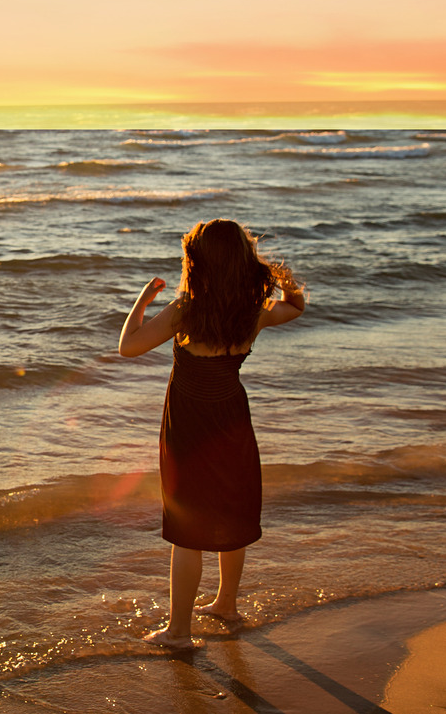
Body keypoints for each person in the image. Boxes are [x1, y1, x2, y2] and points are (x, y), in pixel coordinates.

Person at [118, 219, 305, 651]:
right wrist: (279, 274)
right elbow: (295, 307)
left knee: (187, 528)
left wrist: (143, 300)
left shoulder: (187, 310)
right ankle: (225, 604)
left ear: (196, 262)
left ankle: (179, 631)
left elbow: (128, 346)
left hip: (189, 426)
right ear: (243, 260)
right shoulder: (253, 312)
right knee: (231, 512)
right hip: (233, 421)